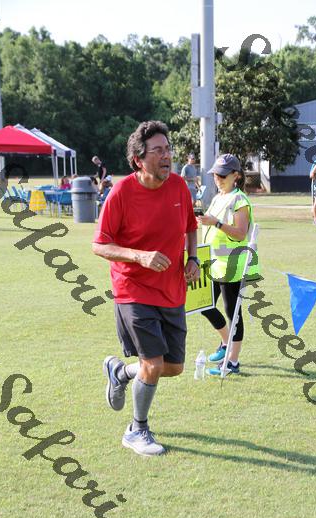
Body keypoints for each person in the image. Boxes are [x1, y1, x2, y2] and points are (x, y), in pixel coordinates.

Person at [92, 121, 199, 456]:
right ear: (139, 159)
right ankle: (136, 430)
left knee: (174, 367)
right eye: (158, 151)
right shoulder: (121, 193)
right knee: (152, 363)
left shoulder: (179, 186)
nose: (167, 156)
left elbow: (190, 226)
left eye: (168, 149)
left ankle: (121, 372)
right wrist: (139, 256)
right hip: (133, 289)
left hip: (172, 289)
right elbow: (99, 245)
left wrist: (193, 258)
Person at [197, 153, 260, 376]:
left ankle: (232, 362)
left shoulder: (239, 200)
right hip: (213, 264)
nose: (218, 179)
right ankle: (226, 343)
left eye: (222, 175)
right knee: (203, 305)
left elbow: (240, 233)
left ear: (236, 176)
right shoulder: (217, 197)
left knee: (233, 313)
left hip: (232, 265)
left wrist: (216, 223)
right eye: (215, 174)